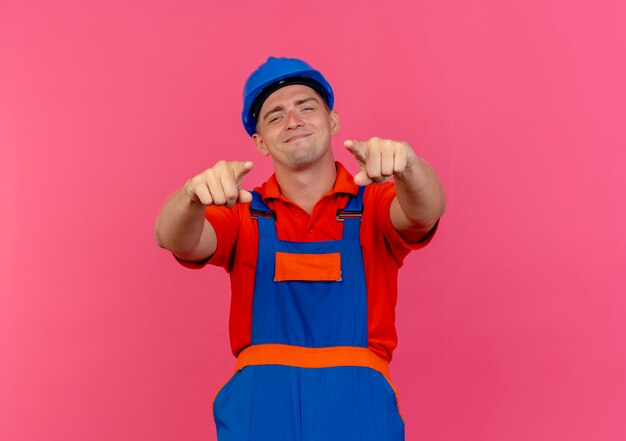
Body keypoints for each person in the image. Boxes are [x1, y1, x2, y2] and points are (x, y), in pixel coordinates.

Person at [155, 56, 446, 441]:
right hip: (261, 410)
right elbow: (175, 238)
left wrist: (410, 166)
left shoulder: (375, 204)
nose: (293, 121)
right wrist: (190, 196)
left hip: (358, 408)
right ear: (260, 141)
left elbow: (425, 212)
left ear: (333, 120)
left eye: (306, 107)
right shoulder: (243, 214)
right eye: (275, 116)